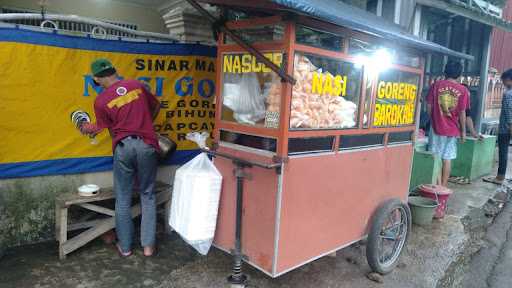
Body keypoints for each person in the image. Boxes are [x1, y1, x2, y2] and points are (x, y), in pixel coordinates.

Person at [80, 59, 160, 257]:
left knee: (123, 198)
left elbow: (101, 128)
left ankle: (125, 247)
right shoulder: (136, 85)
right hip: (147, 144)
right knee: (147, 195)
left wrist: (83, 126)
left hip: (123, 147)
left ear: (97, 79)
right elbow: (156, 107)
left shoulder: (100, 101)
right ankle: (148, 247)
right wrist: (145, 124)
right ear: (115, 71)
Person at [427, 61, 470, 187]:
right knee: (447, 158)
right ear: (459, 74)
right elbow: (462, 113)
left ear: (445, 71)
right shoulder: (463, 90)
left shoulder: (436, 85)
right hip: (453, 130)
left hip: (437, 128)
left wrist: (434, 118)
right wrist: (463, 132)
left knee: (436, 157)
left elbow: (429, 107)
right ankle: (443, 187)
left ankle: (437, 187)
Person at [484, 69, 512, 185]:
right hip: (508, 127)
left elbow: (509, 112)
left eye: (504, 80)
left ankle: (500, 177)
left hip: (506, 128)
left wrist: (510, 126)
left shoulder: (508, 94)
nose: (503, 83)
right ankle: (500, 176)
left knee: (503, 152)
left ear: (509, 79)